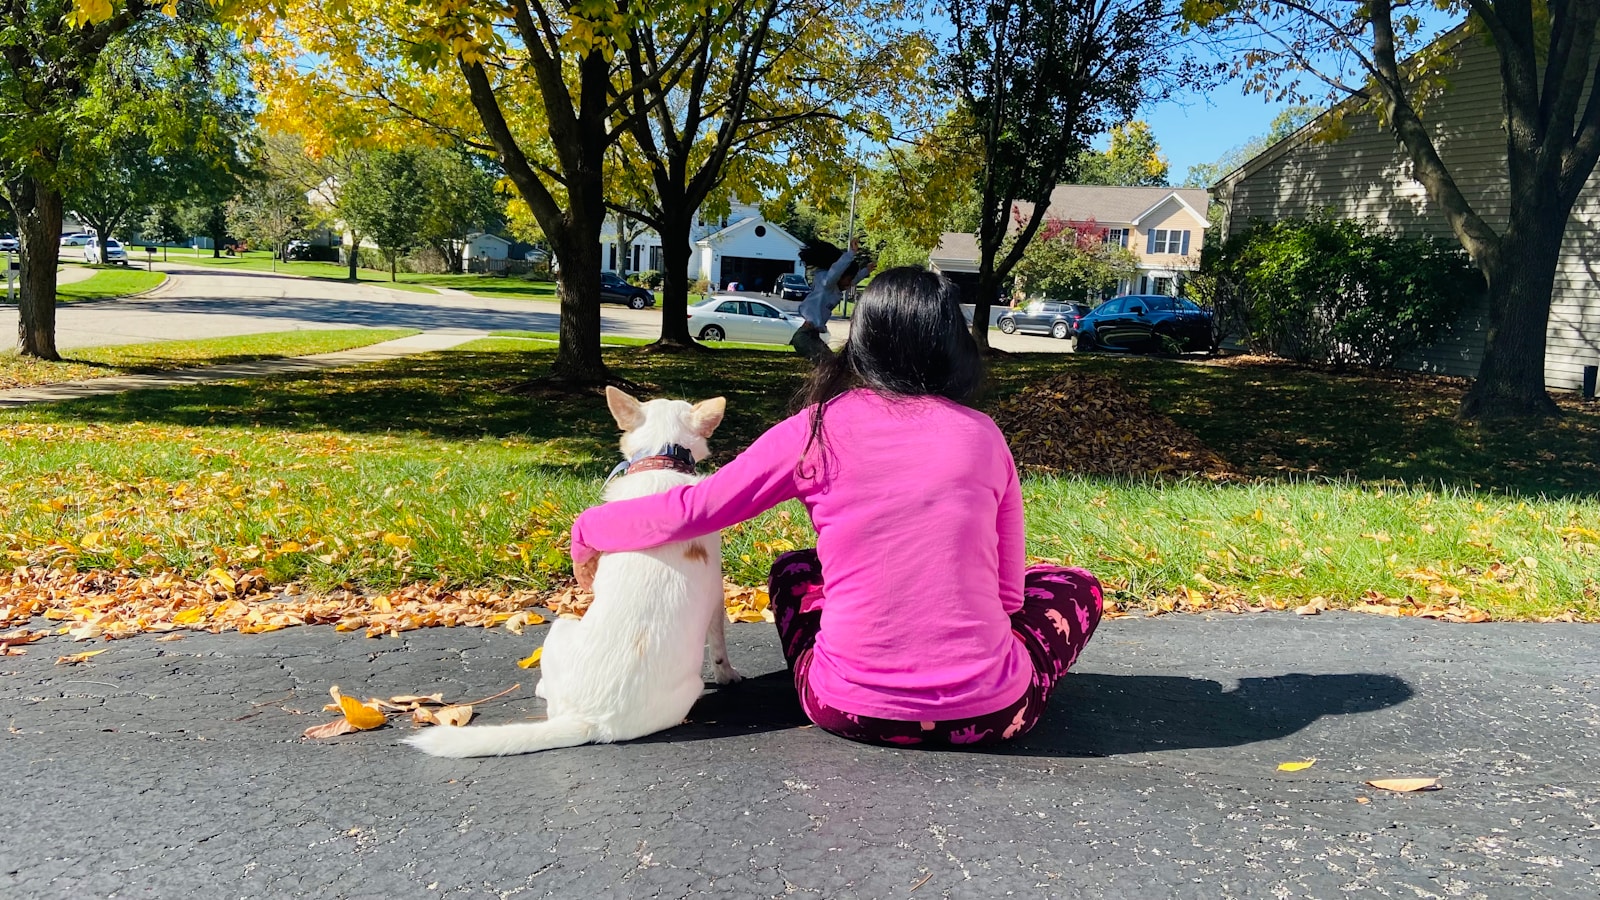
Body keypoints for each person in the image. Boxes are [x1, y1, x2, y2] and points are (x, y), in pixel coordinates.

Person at [569, 267, 1103, 747]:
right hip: (992, 714)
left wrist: (590, 527)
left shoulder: (817, 429)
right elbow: (1009, 597)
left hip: (844, 708)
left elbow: (694, 509)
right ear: (954, 345)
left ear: (861, 341)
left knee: (794, 570)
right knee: (1076, 584)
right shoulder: (984, 436)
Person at [790, 237, 873, 362]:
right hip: (805, 336)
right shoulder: (827, 285)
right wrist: (851, 253)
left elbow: (852, 280)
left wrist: (866, 271)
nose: (849, 285)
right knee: (831, 363)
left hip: (811, 335)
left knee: (832, 363)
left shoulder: (834, 288)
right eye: (848, 279)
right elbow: (836, 271)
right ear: (840, 277)